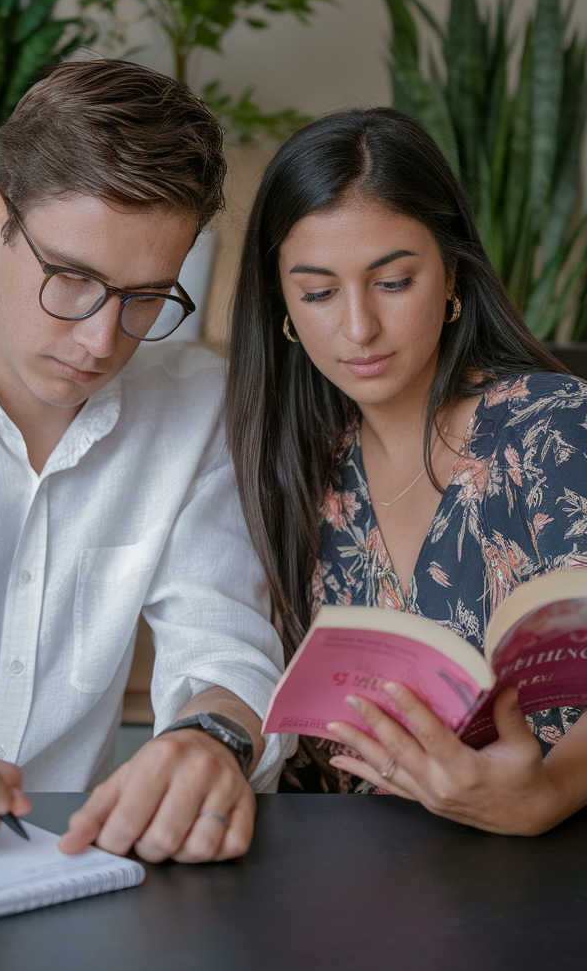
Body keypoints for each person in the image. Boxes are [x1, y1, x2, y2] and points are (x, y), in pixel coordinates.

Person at [0, 59, 293, 861]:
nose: (101, 339)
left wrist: (211, 739)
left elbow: (223, 646)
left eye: (147, 297)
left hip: (68, 878)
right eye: (72, 279)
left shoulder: (198, 408)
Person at [226, 107, 587, 835]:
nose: (358, 327)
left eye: (393, 282)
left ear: (452, 275)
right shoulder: (295, 466)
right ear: (284, 307)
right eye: (319, 293)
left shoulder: (550, 427)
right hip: (351, 886)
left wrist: (546, 794)